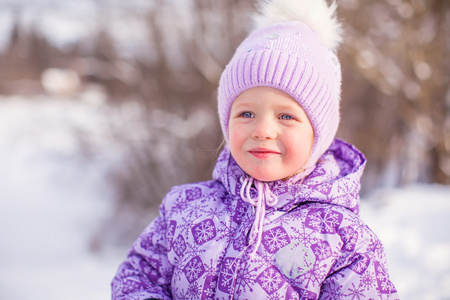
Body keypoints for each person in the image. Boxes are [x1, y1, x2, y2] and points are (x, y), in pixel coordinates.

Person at [111, 0, 399, 299]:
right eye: (246, 114)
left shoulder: (343, 237)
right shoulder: (184, 208)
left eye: (286, 116)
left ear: (319, 134)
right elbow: (138, 275)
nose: (262, 130)